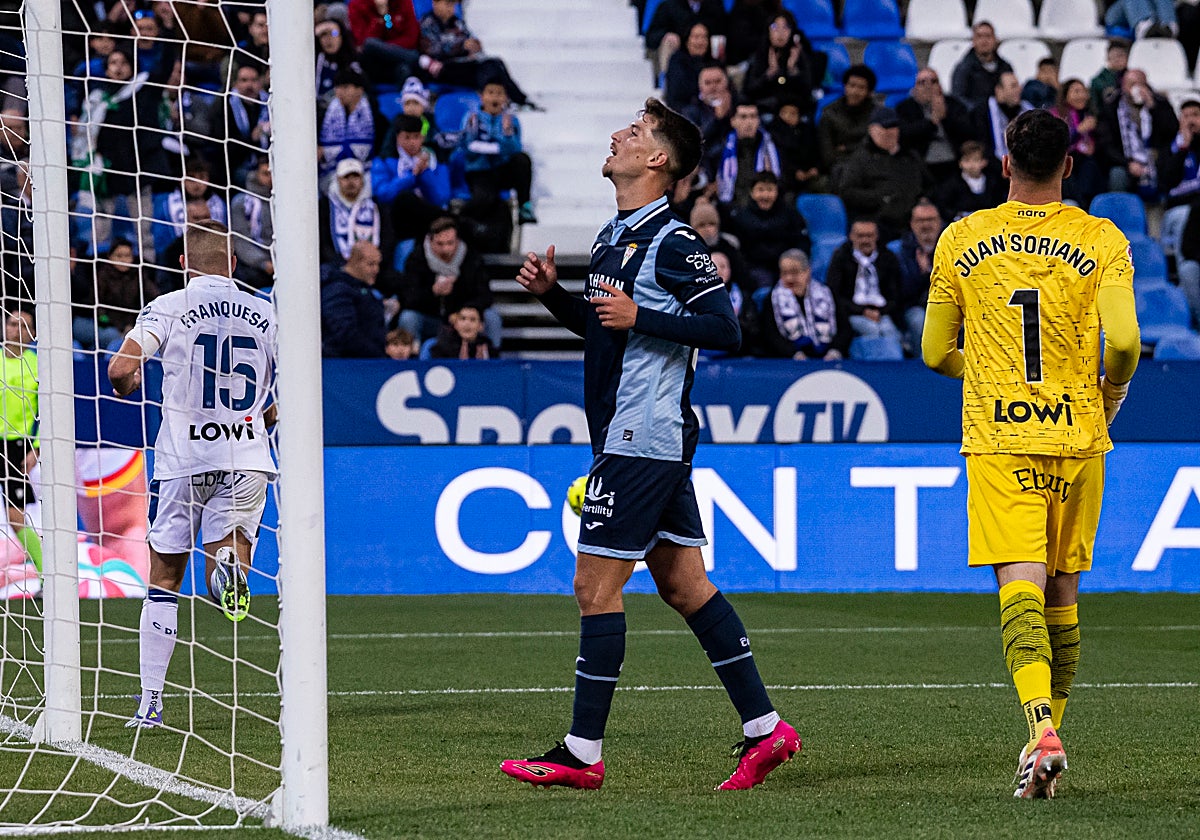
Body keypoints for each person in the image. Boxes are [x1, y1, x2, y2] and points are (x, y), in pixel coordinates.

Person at [501, 98, 800, 792]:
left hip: (645, 432)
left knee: (593, 586)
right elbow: (608, 327)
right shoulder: (614, 236)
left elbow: (725, 330)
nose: (617, 136)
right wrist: (553, 296)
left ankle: (581, 752)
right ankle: (766, 730)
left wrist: (647, 314)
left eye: (633, 133)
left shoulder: (675, 241)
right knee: (684, 584)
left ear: (657, 160)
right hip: (633, 432)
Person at [922, 107, 1141, 799]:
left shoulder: (962, 238)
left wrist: (984, 368)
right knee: (1065, 589)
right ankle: (1040, 741)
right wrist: (1110, 389)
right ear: (1069, 166)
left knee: (1021, 583)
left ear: (1004, 162)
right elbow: (1129, 342)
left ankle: (1041, 726)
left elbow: (933, 353)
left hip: (999, 435)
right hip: (1078, 434)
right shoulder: (1100, 237)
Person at [108, 220, 279, 728]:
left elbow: (120, 369)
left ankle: (152, 703)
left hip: (183, 458)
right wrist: (261, 415)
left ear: (183, 264)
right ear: (232, 265)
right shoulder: (266, 313)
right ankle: (230, 566)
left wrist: (129, 383)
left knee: (164, 578)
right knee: (226, 555)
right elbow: (287, 391)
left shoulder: (170, 306)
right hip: (247, 455)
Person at [836, 106, 933, 243]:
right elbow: (847, 192)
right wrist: (881, 198)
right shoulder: (860, 159)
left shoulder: (910, 156)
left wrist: (924, 200)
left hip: (913, 221)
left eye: (893, 126)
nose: (889, 132)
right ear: (871, 130)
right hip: (880, 222)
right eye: (884, 127)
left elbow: (930, 185)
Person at [399, 216, 498, 344]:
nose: (445, 249)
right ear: (430, 240)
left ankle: (492, 360)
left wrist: (463, 312)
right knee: (408, 318)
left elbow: (485, 295)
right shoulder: (417, 259)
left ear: (457, 240)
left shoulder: (471, 258)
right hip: (430, 319)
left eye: (450, 243)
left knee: (492, 317)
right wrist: (433, 291)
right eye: (440, 244)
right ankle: (410, 361)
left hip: (462, 319)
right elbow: (407, 297)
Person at [823, 218, 905, 359]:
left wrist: (880, 312)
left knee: (890, 332)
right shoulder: (841, 258)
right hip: (852, 312)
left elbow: (896, 294)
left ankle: (895, 373)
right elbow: (834, 294)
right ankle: (871, 374)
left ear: (876, 236)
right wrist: (862, 311)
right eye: (860, 236)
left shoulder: (888, 258)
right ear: (851, 236)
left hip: (882, 312)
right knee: (872, 330)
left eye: (869, 235)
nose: (865, 240)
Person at [459, 80, 536, 226]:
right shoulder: (472, 118)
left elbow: (515, 148)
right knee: (486, 199)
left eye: (499, 93)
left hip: (502, 169)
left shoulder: (511, 121)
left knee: (522, 160)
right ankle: (458, 222)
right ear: (482, 96)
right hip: (479, 171)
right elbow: (469, 147)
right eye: (490, 93)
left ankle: (524, 206)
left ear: (505, 98)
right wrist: (498, 149)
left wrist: (506, 134)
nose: (495, 98)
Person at [0, 309, 41, 576]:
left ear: (34, 333)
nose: (17, 330)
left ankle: (46, 571)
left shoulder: (38, 365)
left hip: (17, 445)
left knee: (16, 515)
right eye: (13, 324)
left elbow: (47, 411)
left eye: (24, 325)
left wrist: (36, 447)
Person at [1095, 69, 1178, 197]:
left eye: (1140, 84)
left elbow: (1172, 130)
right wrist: (1127, 163)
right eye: (1131, 84)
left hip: (1155, 158)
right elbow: (1105, 145)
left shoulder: (1159, 102)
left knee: (1170, 165)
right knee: (1117, 174)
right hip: (1125, 161)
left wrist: (1153, 108)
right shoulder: (1112, 106)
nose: (1136, 88)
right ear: (1123, 86)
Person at [758, 248, 839, 360]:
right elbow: (771, 335)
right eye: (784, 273)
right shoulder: (772, 298)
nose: (789, 278)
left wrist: (835, 350)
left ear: (807, 271)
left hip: (829, 360)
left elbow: (843, 327)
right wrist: (794, 354)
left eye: (794, 272)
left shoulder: (827, 293)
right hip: (790, 362)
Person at [896, 67, 973, 184]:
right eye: (922, 82)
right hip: (921, 164)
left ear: (940, 86)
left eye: (933, 81)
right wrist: (932, 122)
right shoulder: (905, 108)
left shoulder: (953, 104)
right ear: (915, 88)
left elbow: (968, 132)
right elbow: (904, 135)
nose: (928, 86)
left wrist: (946, 117)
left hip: (954, 163)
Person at [321, 241, 391, 358]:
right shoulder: (337, 289)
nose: (376, 270)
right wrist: (377, 355)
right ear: (354, 262)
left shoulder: (362, 288)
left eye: (378, 264)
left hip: (367, 361)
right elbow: (345, 333)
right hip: (347, 365)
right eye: (371, 264)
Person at [895, 199, 942, 354]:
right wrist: (924, 275)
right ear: (912, 224)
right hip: (913, 307)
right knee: (919, 320)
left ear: (939, 222)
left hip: (948, 305)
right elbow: (901, 294)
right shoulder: (901, 251)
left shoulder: (952, 245)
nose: (926, 225)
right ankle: (923, 370)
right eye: (920, 220)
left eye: (930, 220)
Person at [817, 64, 877, 180]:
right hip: (840, 170)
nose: (855, 91)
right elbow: (827, 156)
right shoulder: (829, 113)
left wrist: (847, 148)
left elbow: (877, 148)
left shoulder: (877, 114)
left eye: (861, 87)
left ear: (869, 92)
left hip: (871, 167)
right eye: (852, 85)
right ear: (845, 86)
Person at [936, 140, 1006, 222]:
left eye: (975, 160)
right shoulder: (951, 185)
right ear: (960, 163)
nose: (971, 165)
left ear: (984, 162)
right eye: (967, 160)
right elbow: (944, 207)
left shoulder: (993, 182)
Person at [951, 22, 1014, 109]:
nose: (984, 41)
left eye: (988, 36)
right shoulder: (963, 68)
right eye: (979, 36)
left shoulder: (1005, 67)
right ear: (973, 41)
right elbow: (958, 99)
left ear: (995, 40)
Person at [429, 304, 496, 359]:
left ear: (481, 326)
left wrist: (484, 364)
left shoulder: (487, 347)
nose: (467, 323)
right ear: (455, 324)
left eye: (472, 319)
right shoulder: (443, 347)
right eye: (463, 319)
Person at [1089, 40, 1129, 115]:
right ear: (1107, 57)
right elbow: (1095, 108)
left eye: (1121, 55)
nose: (1117, 59)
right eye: (1114, 56)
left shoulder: (1134, 78)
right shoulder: (1098, 81)